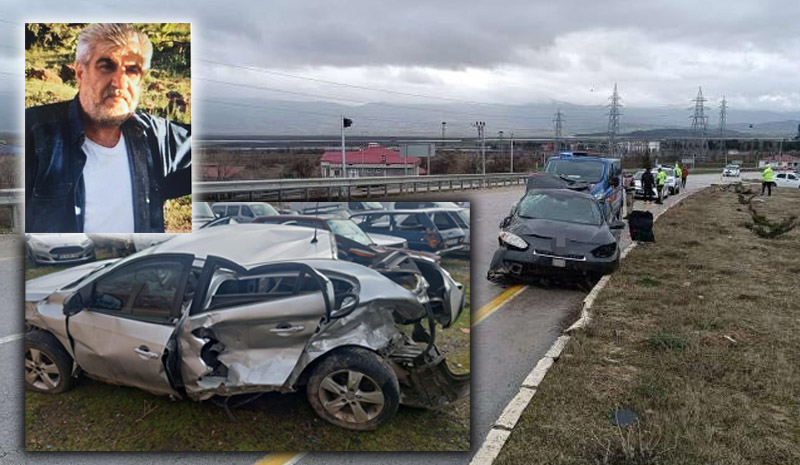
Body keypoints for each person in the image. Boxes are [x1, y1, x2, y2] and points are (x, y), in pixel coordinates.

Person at [26, 23, 191, 233]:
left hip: (137, 265)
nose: (119, 82)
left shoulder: (156, 137)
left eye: (132, 70)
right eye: (106, 66)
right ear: (79, 72)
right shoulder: (35, 133)